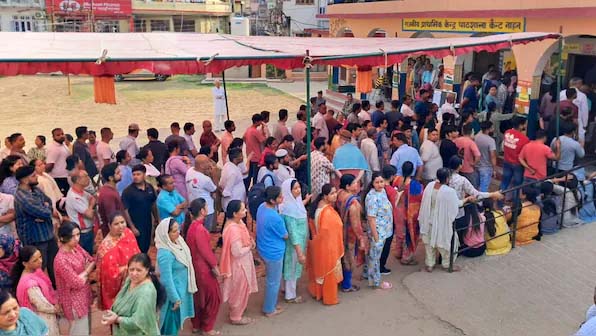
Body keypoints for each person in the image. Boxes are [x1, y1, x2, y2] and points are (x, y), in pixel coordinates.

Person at [13, 166, 58, 285]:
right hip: (36, 238)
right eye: (33, 175)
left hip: (47, 232)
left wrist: (46, 206)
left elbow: (48, 203)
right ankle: (42, 291)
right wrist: (45, 207)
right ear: (24, 180)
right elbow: (46, 212)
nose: (36, 176)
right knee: (39, 267)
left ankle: (55, 287)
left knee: (53, 263)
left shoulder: (35, 189)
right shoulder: (23, 197)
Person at [102, 253, 166, 336]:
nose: (134, 273)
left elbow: (139, 322)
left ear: (147, 270)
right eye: (131, 269)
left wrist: (117, 319)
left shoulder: (146, 292)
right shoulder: (131, 280)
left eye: (139, 270)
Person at [185, 199, 222, 335]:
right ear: (202, 211)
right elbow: (206, 251)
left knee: (199, 297)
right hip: (203, 269)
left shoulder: (191, 227)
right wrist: (215, 267)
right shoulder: (199, 229)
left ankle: (196, 325)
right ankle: (208, 328)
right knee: (213, 298)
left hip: (195, 268)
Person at [154, 218, 197, 336]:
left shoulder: (178, 243)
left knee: (175, 325)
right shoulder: (166, 253)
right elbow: (166, 279)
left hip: (181, 290)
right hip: (173, 296)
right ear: (165, 235)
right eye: (174, 231)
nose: (178, 232)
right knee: (170, 327)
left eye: (178, 229)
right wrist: (175, 299)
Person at [54, 222, 95, 336]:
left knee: (86, 330)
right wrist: (86, 271)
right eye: (73, 236)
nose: (77, 238)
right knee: (79, 331)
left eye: (78, 234)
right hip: (73, 301)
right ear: (63, 238)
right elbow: (76, 283)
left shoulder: (76, 247)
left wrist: (82, 275)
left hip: (84, 295)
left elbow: (92, 261)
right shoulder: (61, 260)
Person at [220, 200, 257, 325]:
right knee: (239, 289)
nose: (245, 211)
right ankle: (236, 317)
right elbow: (237, 252)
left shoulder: (238, 222)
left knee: (241, 288)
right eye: (242, 210)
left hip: (243, 261)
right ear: (235, 214)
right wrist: (250, 247)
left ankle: (238, 309)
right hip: (239, 264)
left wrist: (250, 240)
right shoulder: (233, 229)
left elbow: (245, 235)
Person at [418, 168, 461, 272]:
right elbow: (456, 205)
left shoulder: (429, 186)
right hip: (440, 220)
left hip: (428, 218)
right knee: (445, 243)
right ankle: (447, 264)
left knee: (429, 243)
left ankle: (430, 265)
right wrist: (467, 199)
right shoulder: (449, 191)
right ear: (447, 179)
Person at [307, 184, 343, 304]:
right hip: (328, 246)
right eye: (332, 193)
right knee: (329, 272)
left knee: (321, 272)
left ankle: (319, 294)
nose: (335, 195)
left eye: (335, 192)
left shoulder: (319, 206)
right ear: (325, 196)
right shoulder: (327, 212)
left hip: (319, 245)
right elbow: (329, 231)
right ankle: (330, 298)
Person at [96, 212, 141, 310]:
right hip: (119, 289)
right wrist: (128, 269)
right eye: (116, 224)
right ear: (109, 225)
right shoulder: (106, 248)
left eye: (122, 222)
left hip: (136, 281)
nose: (121, 226)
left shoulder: (128, 233)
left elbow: (137, 253)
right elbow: (109, 275)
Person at [12, 246, 59, 336]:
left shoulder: (35, 271)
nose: (40, 261)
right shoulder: (30, 285)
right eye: (35, 260)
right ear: (25, 264)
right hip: (42, 319)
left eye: (40, 257)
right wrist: (57, 308)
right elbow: (42, 305)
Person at [255, 186, 287, 317]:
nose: (282, 198)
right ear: (273, 201)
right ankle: (269, 309)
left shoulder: (262, 207)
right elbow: (285, 235)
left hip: (264, 247)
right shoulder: (275, 217)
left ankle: (271, 304)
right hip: (274, 252)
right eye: (280, 197)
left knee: (271, 279)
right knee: (273, 281)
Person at [336, 174, 366, 292]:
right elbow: (356, 224)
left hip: (339, 231)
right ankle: (347, 285)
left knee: (342, 257)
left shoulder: (339, 194)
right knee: (349, 258)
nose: (356, 184)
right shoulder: (353, 203)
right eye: (354, 183)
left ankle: (341, 280)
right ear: (348, 186)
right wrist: (361, 239)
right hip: (349, 234)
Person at [363, 173, 393, 289]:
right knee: (375, 258)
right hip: (378, 232)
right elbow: (371, 218)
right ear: (372, 183)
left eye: (381, 182)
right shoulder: (372, 197)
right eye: (377, 182)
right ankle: (376, 282)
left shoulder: (382, 192)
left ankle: (367, 274)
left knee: (372, 255)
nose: (380, 184)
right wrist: (376, 236)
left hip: (384, 230)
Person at [122, 165, 158, 253]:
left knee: (146, 245)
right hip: (135, 223)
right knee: (136, 248)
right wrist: (132, 227)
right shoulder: (128, 191)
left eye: (138, 174)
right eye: (134, 174)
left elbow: (153, 204)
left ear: (144, 175)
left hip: (148, 222)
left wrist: (157, 219)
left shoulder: (149, 187)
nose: (135, 177)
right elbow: (125, 210)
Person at [98, 163, 137, 238]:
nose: (121, 174)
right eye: (118, 173)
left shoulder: (111, 190)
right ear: (110, 178)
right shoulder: (108, 194)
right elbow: (112, 218)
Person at [64, 169, 97, 255]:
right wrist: (91, 209)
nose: (88, 178)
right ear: (78, 180)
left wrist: (89, 207)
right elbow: (90, 215)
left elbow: (93, 198)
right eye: (85, 176)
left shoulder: (82, 191)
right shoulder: (74, 196)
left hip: (89, 230)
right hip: (82, 233)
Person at [185, 155, 217, 232]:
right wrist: (214, 174)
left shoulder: (190, 171)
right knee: (205, 232)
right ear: (202, 166)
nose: (210, 164)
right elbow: (215, 188)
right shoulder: (206, 179)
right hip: (207, 210)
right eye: (207, 162)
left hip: (194, 207)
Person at [501, 117, 529, 200]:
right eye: (525, 124)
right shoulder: (525, 139)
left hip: (506, 161)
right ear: (521, 125)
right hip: (518, 165)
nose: (525, 126)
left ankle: (499, 202)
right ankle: (516, 206)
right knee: (517, 186)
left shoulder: (507, 132)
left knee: (504, 183)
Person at [560, 78, 589, 144]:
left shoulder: (561, 93)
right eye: (581, 84)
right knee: (577, 142)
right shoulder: (582, 96)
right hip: (577, 121)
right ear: (577, 84)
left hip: (562, 121)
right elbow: (584, 112)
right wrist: (585, 125)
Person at [46, 128, 70, 195]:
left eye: (62, 134)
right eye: (58, 135)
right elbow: (49, 165)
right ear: (53, 137)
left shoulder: (63, 144)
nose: (61, 136)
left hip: (65, 176)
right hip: (58, 178)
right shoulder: (53, 148)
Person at [475, 121, 497, 192]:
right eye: (492, 127)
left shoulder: (477, 137)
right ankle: (480, 202)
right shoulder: (491, 141)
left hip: (477, 165)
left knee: (477, 186)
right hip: (486, 167)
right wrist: (494, 169)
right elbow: (492, 156)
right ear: (489, 129)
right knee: (483, 189)